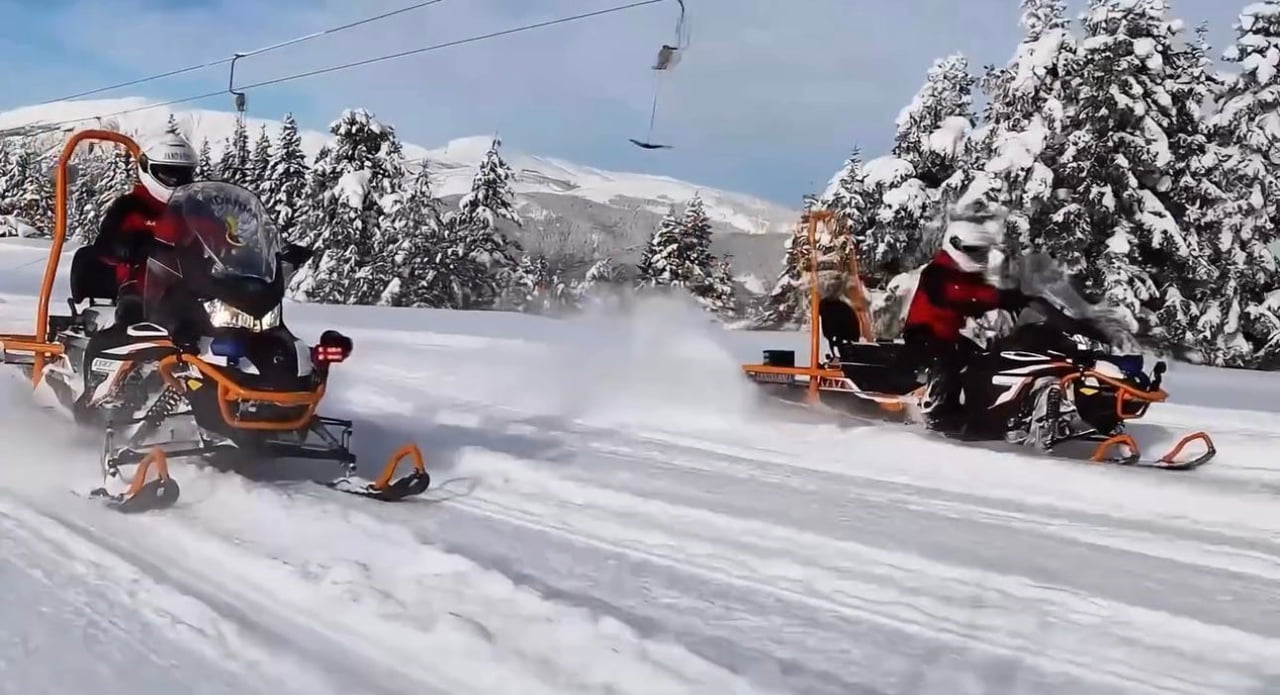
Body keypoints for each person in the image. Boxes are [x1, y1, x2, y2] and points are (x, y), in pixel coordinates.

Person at [902, 201, 1028, 432]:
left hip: (949, 335)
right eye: (972, 250)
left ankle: (983, 409)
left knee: (984, 360)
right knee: (946, 363)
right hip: (924, 332)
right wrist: (996, 299)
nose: (978, 257)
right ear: (955, 245)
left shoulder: (965, 274)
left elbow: (982, 291)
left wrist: (1017, 295)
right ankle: (938, 411)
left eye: (980, 251)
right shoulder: (937, 272)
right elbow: (957, 296)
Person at [93, 132, 198, 324]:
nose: (175, 181)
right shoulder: (130, 206)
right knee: (133, 318)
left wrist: (239, 254)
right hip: (139, 288)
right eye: (167, 172)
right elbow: (104, 246)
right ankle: (120, 350)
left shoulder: (195, 209)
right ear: (146, 168)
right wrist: (131, 245)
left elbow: (220, 237)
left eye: (182, 175)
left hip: (187, 290)